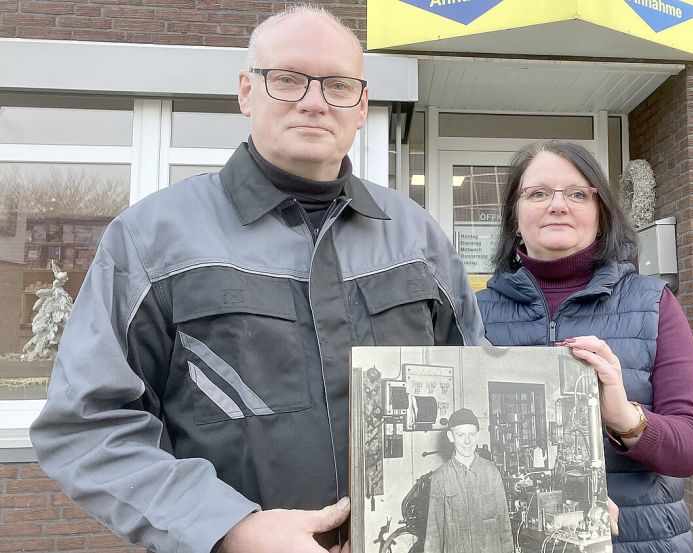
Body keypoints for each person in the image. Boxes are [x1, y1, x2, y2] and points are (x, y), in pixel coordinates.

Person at [29, 6, 485, 553]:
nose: (313, 101)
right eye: (288, 80)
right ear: (247, 91)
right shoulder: (152, 238)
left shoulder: (418, 237)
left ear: (361, 107)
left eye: (338, 85)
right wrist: (227, 527)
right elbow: (87, 424)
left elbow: (474, 397)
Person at [476, 142, 693, 553]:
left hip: (640, 541)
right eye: (538, 193)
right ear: (514, 216)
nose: (558, 205)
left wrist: (624, 418)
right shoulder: (474, 314)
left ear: (601, 216)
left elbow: (689, 450)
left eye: (578, 193)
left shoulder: (653, 303)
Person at [423, 408, 513, 553]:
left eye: (471, 434)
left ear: (477, 435)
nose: (467, 441)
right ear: (450, 436)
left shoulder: (491, 472)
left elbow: (504, 526)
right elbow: (433, 535)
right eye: (460, 435)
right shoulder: (440, 477)